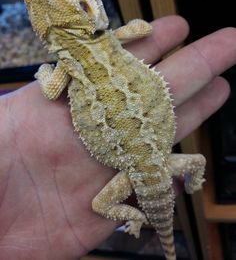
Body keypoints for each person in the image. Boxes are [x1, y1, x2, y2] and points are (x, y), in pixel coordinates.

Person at [0, 16, 235, 260]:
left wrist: (43, 71)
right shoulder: (102, 43)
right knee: (197, 162)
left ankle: (138, 218)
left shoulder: (83, 54)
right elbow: (143, 27)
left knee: (102, 205)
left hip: (143, 165)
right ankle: (169, 202)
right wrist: (191, 184)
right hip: (155, 160)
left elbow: (50, 88)